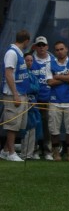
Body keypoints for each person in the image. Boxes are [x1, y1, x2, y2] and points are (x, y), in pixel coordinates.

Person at [46, 41, 69, 161]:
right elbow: (50, 82)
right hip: (55, 101)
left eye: (61, 49)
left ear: (66, 49)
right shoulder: (49, 64)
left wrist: (58, 76)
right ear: (55, 51)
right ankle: (56, 153)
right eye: (57, 50)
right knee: (54, 129)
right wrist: (67, 78)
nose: (59, 51)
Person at [1, 29, 31, 162]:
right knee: (12, 125)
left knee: (19, 125)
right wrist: (15, 95)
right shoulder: (12, 53)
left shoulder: (19, 52)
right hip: (14, 94)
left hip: (21, 93)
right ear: (26, 41)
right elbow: (8, 74)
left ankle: (5, 150)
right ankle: (11, 153)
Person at [30, 36, 54, 159]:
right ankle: (34, 150)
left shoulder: (53, 60)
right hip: (32, 98)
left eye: (43, 45)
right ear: (35, 46)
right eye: (38, 45)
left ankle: (48, 151)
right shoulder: (29, 59)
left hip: (47, 98)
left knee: (47, 125)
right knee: (33, 124)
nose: (41, 47)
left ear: (47, 46)